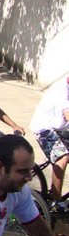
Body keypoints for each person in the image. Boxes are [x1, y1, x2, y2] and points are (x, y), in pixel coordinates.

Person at [30, 76, 69, 208]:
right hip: (44, 128)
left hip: (60, 128)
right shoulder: (62, 90)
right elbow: (68, 114)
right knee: (62, 158)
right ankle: (56, 200)